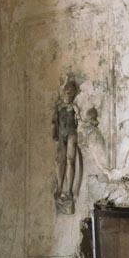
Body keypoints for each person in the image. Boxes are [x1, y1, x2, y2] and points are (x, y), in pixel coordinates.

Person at [52, 77, 82, 208]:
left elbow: (79, 121)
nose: (70, 96)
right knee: (59, 161)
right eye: (68, 93)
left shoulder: (74, 107)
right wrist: (55, 134)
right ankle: (59, 188)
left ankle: (68, 190)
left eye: (72, 94)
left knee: (70, 160)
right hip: (61, 135)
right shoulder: (59, 107)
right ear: (64, 92)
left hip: (71, 135)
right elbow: (55, 122)